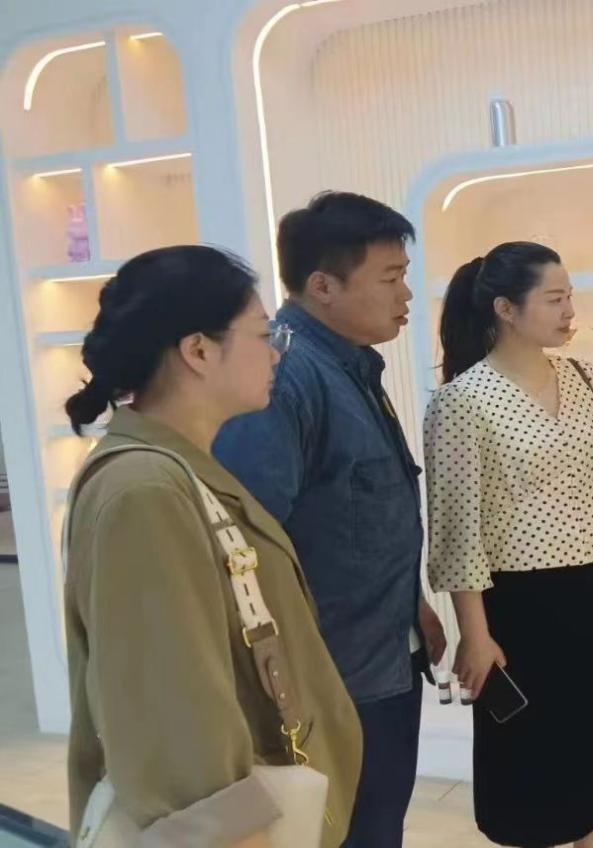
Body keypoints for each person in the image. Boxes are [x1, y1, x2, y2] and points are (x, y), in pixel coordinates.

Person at [63, 245, 362, 848]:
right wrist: (231, 833)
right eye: (264, 334)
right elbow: (168, 707)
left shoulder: (179, 471)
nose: (275, 352)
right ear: (198, 350)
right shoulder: (146, 491)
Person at [214, 192, 446, 847]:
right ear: (323, 286)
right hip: (331, 680)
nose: (405, 294)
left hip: (381, 656)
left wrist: (412, 607)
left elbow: (355, 515)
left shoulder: (350, 366)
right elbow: (249, 543)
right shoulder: (287, 379)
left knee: (376, 826)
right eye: (390, 278)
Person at [423, 241, 593, 848]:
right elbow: (457, 529)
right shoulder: (461, 401)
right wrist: (475, 632)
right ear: (506, 308)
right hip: (522, 603)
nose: (569, 310)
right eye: (554, 299)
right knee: (536, 754)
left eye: (569, 296)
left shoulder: (587, 378)